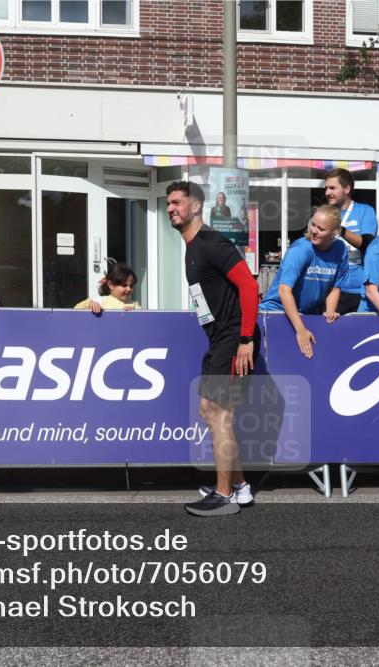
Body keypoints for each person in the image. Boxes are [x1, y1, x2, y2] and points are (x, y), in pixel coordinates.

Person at [167, 180, 259, 517]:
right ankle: (240, 487)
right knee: (217, 413)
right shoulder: (192, 246)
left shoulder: (211, 242)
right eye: (168, 204)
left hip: (234, 337)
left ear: (195, 206)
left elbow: (249, 286)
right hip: (221, 338)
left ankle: (224, 495)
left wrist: (246, 339)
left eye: (177, 202)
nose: (170, 208)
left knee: (216, 412)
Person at [259, 205, 348, 358]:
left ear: (335, 232)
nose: (314, 231)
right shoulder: (301, 250)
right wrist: (300, 331)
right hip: (276, 312)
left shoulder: (340, 249)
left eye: (321, 229)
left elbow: (335, 286)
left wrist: (330, 311)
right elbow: (284, 291)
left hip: (307, 315)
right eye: (313, 224)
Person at [324, 168, 377, 315]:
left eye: (332, 188)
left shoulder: (365, 211)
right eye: (326, 188)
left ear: (347, 188)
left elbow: (367, 244)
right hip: (331, 291)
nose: (327, 192)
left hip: (359, 291)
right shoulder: (323, 215)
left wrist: (340, 230)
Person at [75, 262, 141, 314]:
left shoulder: (134, 304)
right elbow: (75, 311)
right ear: (111, 284)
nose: (129, 289)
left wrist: (134, 313)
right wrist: (91, 305)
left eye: (131, 286)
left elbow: (142, 321)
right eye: (124, 285)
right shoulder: (100, 302)